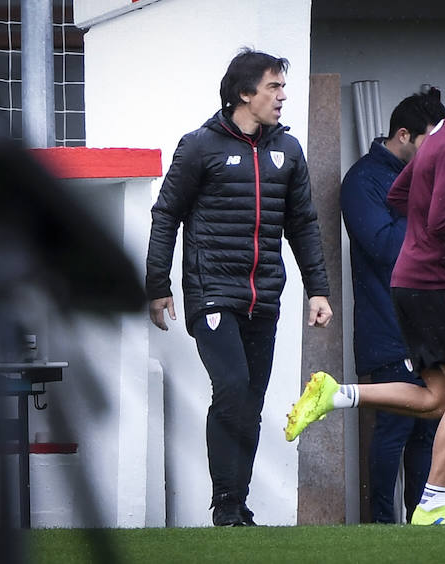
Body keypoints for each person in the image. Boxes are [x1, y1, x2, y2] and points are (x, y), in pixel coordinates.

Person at [284, 43, 445, 526]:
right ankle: (431, 506)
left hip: (417, 281)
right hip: (436, 284)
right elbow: (443, 221)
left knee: (437, 397)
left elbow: (403, 193)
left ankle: (338, 395)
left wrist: (428, 233)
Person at [146, 48, 333, 527]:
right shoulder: (198, 146)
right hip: (212, 292)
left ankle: (237, 506)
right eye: (274, 87)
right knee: (230, 389)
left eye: (282, 87)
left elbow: (304, 224)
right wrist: (157, 284)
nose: (282, 96)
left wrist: (319, 289)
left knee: (250, 402)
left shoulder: (288, 150)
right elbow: (166, 214)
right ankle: (225, 501)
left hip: (263, 297)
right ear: (244, 93)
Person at [340, 87, 445, 523]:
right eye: (431, 143)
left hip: (431, 323)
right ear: (403, 135)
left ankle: (423, 519)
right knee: (394, 429)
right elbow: (385, 246)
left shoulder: (427, 178)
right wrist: (421, 201)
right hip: (387, 327)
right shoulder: (364, 180)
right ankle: (381, 525)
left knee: (428, 428)